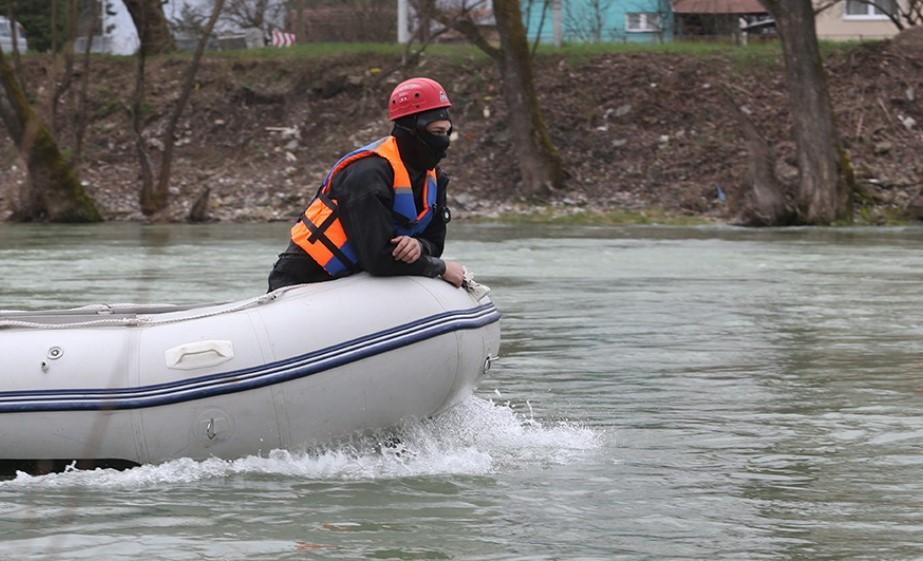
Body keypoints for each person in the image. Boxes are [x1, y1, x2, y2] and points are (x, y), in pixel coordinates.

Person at [267, 77, 466, 292]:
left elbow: (435, 242)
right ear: (412, 130)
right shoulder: (367, 175)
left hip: (357, 284)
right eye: (437, 133)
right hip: (303, 277)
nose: (444, 142)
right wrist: (440, 268)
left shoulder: (436, 179)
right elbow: (379, 259)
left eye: (447, 132)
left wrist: (418, 246)